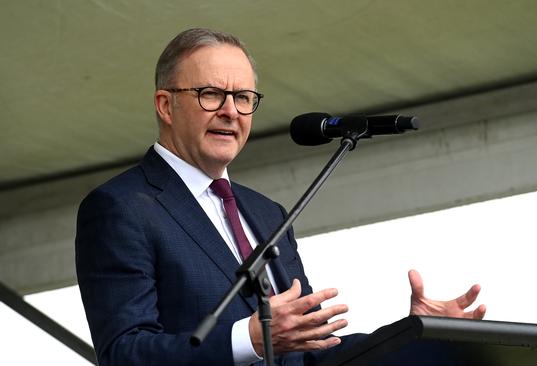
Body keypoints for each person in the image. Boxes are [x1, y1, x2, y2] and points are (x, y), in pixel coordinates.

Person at [75, 28, 486, 366]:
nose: (230, 112)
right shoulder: (121, 207)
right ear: (165, 105)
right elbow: (124, 355)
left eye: (243, 98)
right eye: (210, 94)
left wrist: (412, 335)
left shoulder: (266, 213)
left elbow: (311, 352)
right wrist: (250, 338)